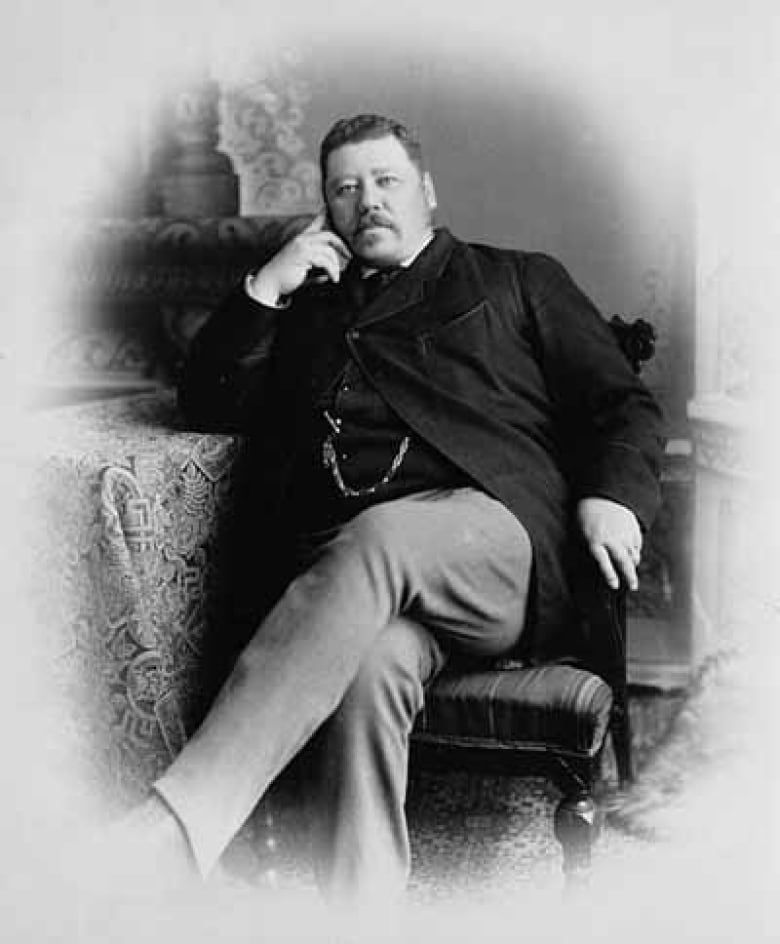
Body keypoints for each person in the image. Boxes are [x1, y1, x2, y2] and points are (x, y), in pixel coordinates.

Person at [125, 113, 663, 908]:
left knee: (382, 535)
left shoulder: (513, 278)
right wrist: (266, 287)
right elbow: (208, 401)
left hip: (501, 545)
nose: (366, 200)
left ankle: (178, 826)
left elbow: (621, 403)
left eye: (385, 182)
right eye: (344, 188)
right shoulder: (310, 313)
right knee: (367, 670)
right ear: (326, 213)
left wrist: (614, 496)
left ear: (427, 193)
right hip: (364, 580)